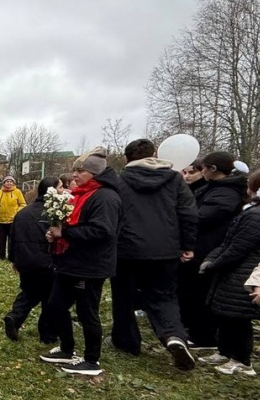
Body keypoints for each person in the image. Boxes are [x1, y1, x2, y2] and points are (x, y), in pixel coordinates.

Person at [109, 139, 197, 370]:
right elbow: (188, 212)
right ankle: (173, 336)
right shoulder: (175, 179)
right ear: (154, 154)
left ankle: (126, 341)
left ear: (127, 158)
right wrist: (187, 245)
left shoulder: (120, 181)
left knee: (123, 296)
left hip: (127, 250)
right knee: (164, 296)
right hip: (165, 249)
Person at [41, 147, 123, 376]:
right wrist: (57, 232)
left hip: (90, 266)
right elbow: (73, 226)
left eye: (80, 171)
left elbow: (101, 232)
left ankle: (91, 360)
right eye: (74, 171)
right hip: (72, 263)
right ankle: (67, 348)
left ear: (94, 174)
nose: (74, 176)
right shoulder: (83, 194)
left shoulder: (105, 197)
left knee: (88, 313)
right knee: (55, 305)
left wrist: (64, 234)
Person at [179, 151, 247, 350]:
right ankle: (192, 330)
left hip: (208, 248)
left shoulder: (226, 193)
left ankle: (204, 337)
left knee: (200, 294)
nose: (202, 172)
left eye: (204, 168)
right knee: (190, 292)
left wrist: (182, 216)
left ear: (213, 169)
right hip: (199, 246)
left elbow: (201, 217)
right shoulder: (214, 188)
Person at [197, 168, 260, 376]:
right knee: (225, 313)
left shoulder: (257, 216)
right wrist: (211, 257)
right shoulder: (250, 210)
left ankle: (242, 360)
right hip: (233, 271)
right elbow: (228, 242)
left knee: (238, 318)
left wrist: (215, 263)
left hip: (243, 272)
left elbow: (237, 247)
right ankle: (224, 352)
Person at [3, 177, 60, 344]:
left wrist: (14, 259)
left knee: (29, 292)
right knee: (49, 298)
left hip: (26, 262)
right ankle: (47, 335)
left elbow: (12, 239)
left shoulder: (22, 213)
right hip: (47, 262)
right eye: (61, 187)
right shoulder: (54, 214)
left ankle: (15, 317)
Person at [0, 176, 27, 260]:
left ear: (13, 183)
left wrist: (17, 213)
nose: (9, 183)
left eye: (11, 181)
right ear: (4, 183)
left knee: (12, 240)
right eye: (7, 181)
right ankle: (1, 256)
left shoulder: (17, 192)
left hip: (12, 221)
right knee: (1, 240)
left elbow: (23, 204)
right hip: (1, 220)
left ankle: (11, 256)